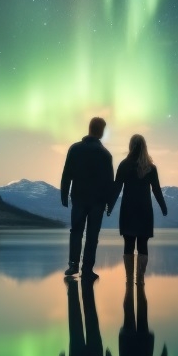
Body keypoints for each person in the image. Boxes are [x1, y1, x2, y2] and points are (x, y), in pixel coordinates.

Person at [61, 117, 114, 280]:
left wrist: (64, 194)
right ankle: (87, 269)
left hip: (78, 198)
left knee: (75, 232)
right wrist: (109, 204)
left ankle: (73, 265)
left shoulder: (75, 149)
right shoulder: (105, 154)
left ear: (90, 128)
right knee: (92, 235)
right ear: (101, 131)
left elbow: (67, 173)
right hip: (97, 202)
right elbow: (109, 182)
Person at [110, 134, 167, 285]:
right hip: (145, 210)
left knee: (128, 243)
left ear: (130, 146)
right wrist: (163, 207)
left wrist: (110, 205)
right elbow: (156, 190)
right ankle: (140, 279)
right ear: (144, 147)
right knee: (143, 244)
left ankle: (129, 279)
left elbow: (117, 188)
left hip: (128, 209)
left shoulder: (124, 165)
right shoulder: (150, 168)